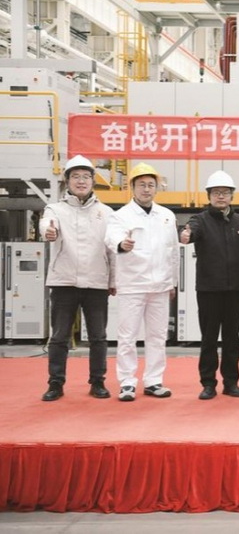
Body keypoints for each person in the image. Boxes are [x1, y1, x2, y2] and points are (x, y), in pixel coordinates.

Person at [39, 155, 116, 401]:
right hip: (64, 281)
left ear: (93, 181)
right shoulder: (55, 209)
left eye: (85, 177)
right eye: (75, 177)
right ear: (67, 181)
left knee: (98, 337)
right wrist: (49, 232)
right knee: (59, 336)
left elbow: (111, 249)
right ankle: (55, 383)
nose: (81, 181)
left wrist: (113, 280)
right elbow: (46, 225)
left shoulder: (106, 212)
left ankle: (98, 382)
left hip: (96, 282)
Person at [105, 162, 180, 402]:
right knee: (127, 337)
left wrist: (172, 282)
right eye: (141, 185)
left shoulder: (166, 216)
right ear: (133, 187)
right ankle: (127, 382)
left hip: (160, 286)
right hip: (132, 285)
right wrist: (122, 244)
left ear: (156, 188)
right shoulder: (120, 216)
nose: (146, 189)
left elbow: (173, 252)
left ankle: (153, 380)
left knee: (157, 336)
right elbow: (112, 238)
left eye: (150, 185)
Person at [180, 170, 239, 400]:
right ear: (209, 196)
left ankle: (231, 383)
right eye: (216, 192)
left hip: (235, 291)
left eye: (225, 192)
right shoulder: (200, 220)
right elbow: (190, 231)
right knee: (209, 339)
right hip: (209, 290)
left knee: (232, 339)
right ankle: (208, 383)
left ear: (232, 196)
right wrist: (185, 234)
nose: (220, 196)